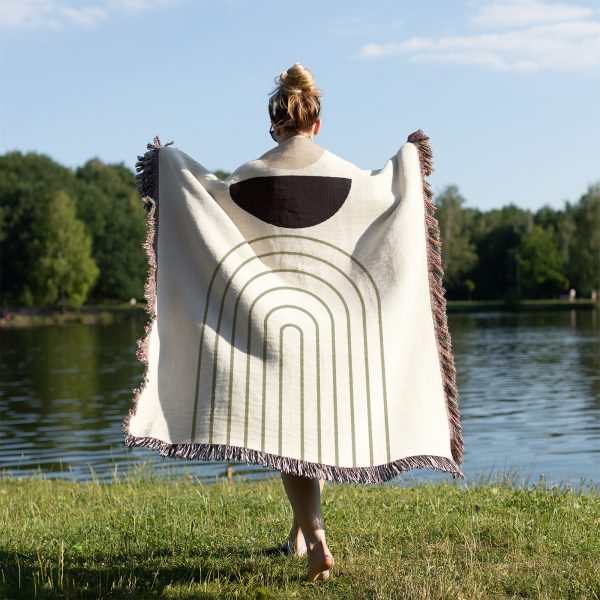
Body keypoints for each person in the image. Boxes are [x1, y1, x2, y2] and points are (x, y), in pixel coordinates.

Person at [268, 62, 334, 583]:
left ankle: (316, 540)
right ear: (316, 124)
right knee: (310, 429)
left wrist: (173, 169)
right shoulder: (345, 175)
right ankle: (297, 532)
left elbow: (211, 213)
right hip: (330, 321)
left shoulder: (251, 175)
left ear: (275, 126)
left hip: (276, 323)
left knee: (288, 437)